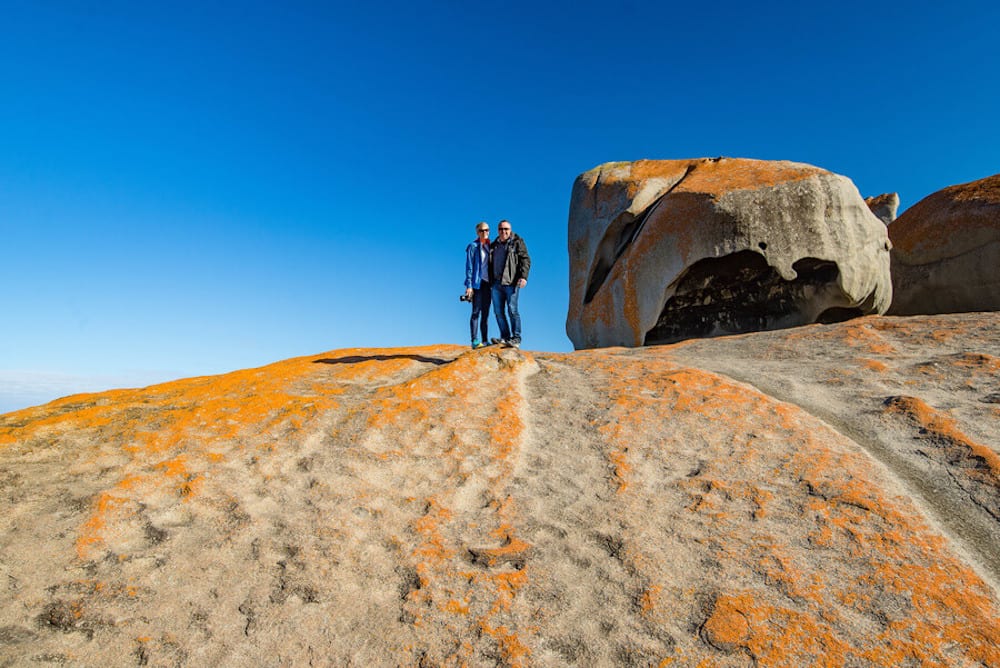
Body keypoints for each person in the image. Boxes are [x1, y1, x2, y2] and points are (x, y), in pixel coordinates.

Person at [489, 219, 530, 349]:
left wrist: (523, 277)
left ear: (510, 230)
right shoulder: (494, 245)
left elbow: (525, 259)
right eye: (501, 229)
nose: (503, 232)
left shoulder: (517, 242)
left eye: (506, 229)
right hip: (496, 282)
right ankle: (505, 337)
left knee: (512, 310)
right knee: (498, 311)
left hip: (511, 282)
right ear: (498, 230)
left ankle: (516, 338)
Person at [464, 221, 492, 349]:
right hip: (477, 283)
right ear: (477, 232)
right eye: (482, 230)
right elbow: (469, 267)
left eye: (487, 230)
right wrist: (469, 285)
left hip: (488, 283)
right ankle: (474, 341)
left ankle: (485, 340)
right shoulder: (473, 246)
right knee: (476, 312)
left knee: (486, 313)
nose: (485, 233)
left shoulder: (490, 246)